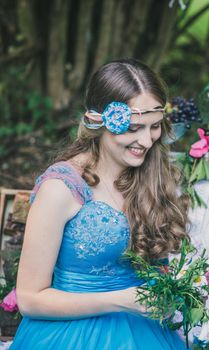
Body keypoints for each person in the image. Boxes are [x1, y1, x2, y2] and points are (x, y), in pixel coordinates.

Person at [11, 59, 189, 349]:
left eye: (154, 127)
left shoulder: (151, 175)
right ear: (99, 122)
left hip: (144, 331)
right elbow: (30, 299)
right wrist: (121, 301)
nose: (146, 141)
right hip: (73, 335)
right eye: (133, 128)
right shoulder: (61, 188)